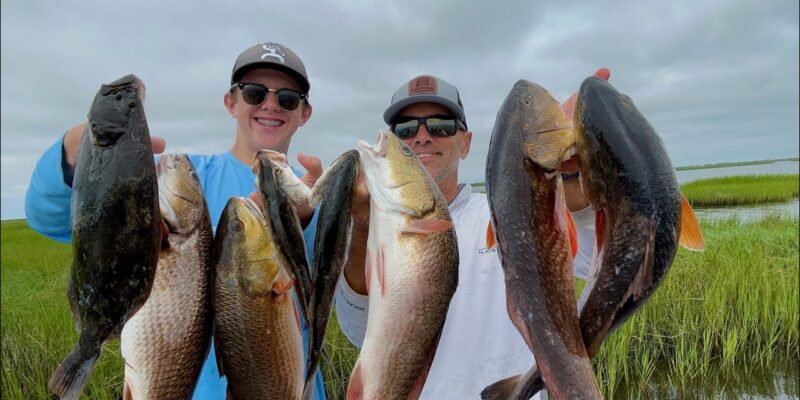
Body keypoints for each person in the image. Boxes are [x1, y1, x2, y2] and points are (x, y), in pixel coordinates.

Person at [24, 42, 327, 400]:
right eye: (255, 93)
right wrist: (79, 154)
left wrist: (307, 220)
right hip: (175, 384)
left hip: (283, 385)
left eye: (288, 98)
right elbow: (51, 220)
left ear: (304, 113)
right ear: (231, 102)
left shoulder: (314, 192)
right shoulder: (180, 179)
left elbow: (346, 285)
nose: (270, 105)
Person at [333, 73, 605, 399]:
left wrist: (574, 179)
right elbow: (356, 329)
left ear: (466, 143)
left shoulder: (505, 215)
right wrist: (362, 227)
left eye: (441, 125)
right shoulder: (372, 228)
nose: (422, 137)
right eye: (406, 129)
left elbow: (590, 259)